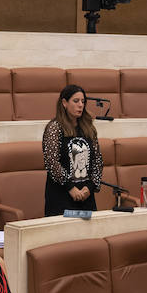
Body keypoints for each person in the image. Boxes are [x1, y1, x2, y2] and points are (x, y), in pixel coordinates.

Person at [42, 84, 103, 216]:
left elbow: (98, 161)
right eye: (76, 101)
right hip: (62, 196)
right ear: (64, 103)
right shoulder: (54, 128)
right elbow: (52, 163)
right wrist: (71, 188)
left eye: (83, 101)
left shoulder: (88, 127)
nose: (80, 105)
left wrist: (89, 188)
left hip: (86, 196)